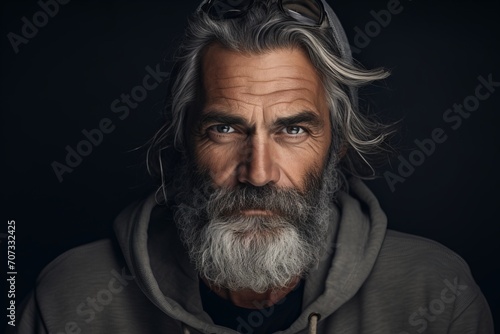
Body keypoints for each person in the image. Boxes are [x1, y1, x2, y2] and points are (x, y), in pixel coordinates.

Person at [13, 0, 494, 333]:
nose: (258, 173)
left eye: (294, 130)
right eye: (225, 129)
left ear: (338, 145)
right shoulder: (70, 298)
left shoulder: (436, 296)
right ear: (184, 139)